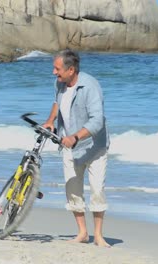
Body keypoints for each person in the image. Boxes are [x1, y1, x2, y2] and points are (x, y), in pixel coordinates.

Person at [43, 49, 110, 247]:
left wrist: (75, 136)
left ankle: (98, 235)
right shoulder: (59, 83)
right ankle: (82, 232)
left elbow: (97, 120)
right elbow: (57, 102)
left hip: (94, 146)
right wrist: (50, 121)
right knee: (73, 189)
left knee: (97, 189)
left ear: (71, 69)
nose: (54, 73)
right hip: (69, 145)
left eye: (57, 69)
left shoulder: (90, 87)